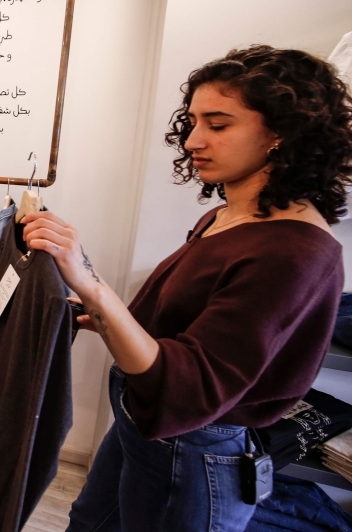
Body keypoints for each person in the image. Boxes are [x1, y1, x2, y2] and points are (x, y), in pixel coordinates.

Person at [21, 46, 352, 532]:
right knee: (90, 523)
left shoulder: (295, 253)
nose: (194, 139)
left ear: (283, 132)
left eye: (218, 125)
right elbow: (183, 324)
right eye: (192, 122)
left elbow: (190, 388)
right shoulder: (224, 217)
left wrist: (89, 281)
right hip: (143, 425)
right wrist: (105, 319)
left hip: (196, 449)